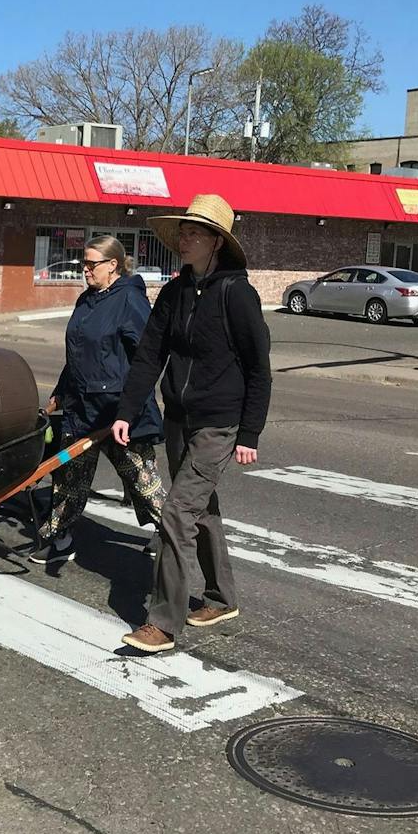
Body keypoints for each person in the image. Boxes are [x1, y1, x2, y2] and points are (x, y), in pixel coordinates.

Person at [111, 194, 272, 653]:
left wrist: (249, 433)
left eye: (194, 232)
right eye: (182, 231)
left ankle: (162, 623)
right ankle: (222, 598)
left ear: (217, 242)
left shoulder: (237, 293)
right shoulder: (176, 291)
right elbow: (149, 355)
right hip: (179, 418)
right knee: (200, 509)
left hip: (219, 422)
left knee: (177, 512)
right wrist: (127, 409)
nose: (184, 239)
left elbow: (259, 366)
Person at [31, 237, 164, 564]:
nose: (85, 270)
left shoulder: (130, 301)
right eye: (84, 263)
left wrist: (129, 407)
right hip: (81, 409)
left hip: (118, 412)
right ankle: (59, 537)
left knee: (143, 482)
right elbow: (77, 355)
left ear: (112, 265)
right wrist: (59, 393)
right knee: (68, 478)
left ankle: (172, 533)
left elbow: (149, 358)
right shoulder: (86, 301)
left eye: (92, 264)